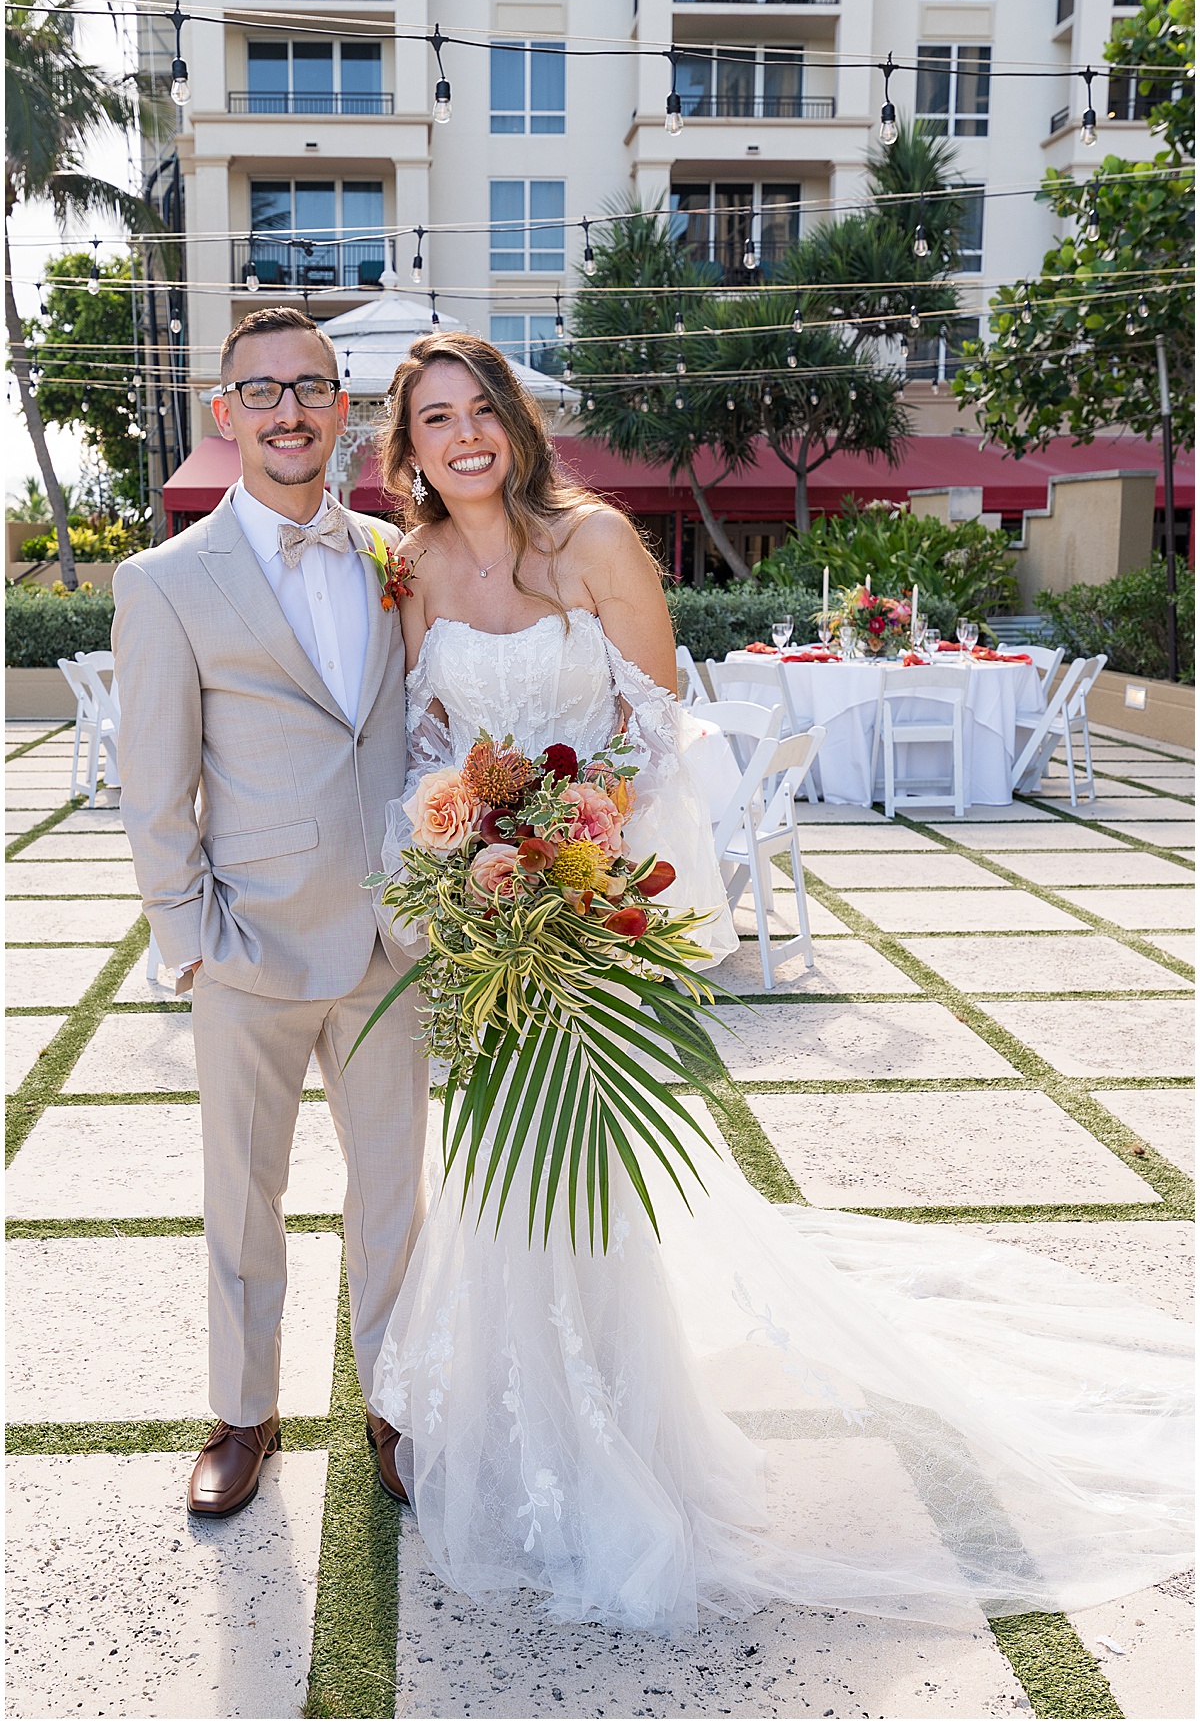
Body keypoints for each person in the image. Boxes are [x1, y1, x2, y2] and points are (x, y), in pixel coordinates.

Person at [365, 330, 1191, 1635]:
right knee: (503, 1165)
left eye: (480, 409)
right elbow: (422, 733)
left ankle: (626, 1445)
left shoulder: (594, 542)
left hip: (595, 897)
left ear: (516, 423)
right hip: (490, 921)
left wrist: (568, 855)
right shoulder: (410, 567)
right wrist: (459, 848)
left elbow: (651, 719)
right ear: (406, 446)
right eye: (432, 419)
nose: (461, 435)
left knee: (587, 1177)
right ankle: (513, 1426)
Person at [113, 306, 428, 1519]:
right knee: (242, 1198)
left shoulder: (397, 553)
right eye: (263, 390)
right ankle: (245, 1415)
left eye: (311, 387)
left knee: (395, 1192)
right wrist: (189, 940)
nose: (288, 410)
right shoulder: (168, 582)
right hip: (249, 945)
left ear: (342, 408)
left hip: (392, 943)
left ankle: (396, 1404)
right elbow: (155, 786)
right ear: (224, 410)